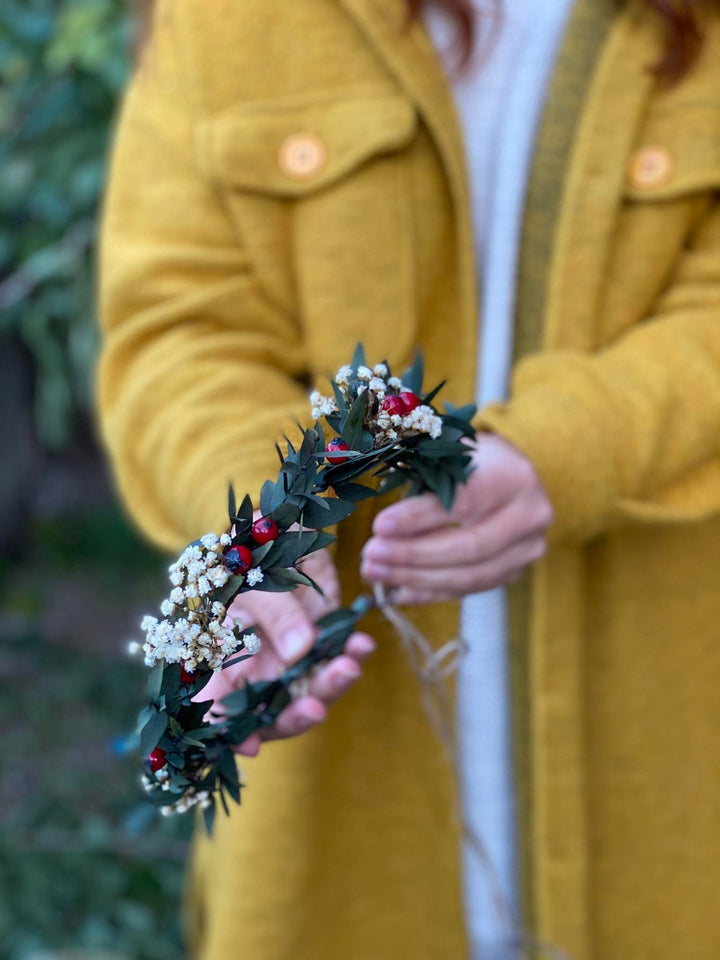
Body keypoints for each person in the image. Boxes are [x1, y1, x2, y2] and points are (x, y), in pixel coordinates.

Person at [98, 0, 720, 956]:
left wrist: (572, 450)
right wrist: (268, 532)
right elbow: (178, 332)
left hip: (673, 751)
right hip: (344, 822)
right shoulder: (229, 20)